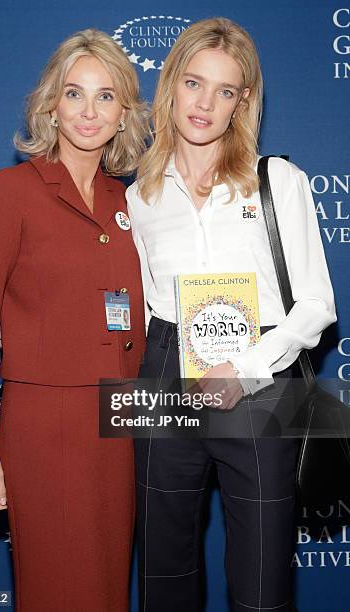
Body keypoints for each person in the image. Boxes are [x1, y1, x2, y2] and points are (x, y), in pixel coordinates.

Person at [126, 17, 336, 612]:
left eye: (226, 91)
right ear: (171, 86)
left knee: (263, 582)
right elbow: (141, 307)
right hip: (166, 373)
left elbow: (317, 305)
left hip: (261, 381)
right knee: (163, 569)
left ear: (243, 102)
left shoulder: (279, 181)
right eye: (194, 83)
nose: (205, 104)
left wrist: (243, 370)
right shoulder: (139, 194)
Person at [0, 29, 148, 612]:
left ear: (123, 115)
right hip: (43, 422)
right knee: (54, 587)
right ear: (51, 107)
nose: (89, 111)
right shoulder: (11, 192)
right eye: (74, 93)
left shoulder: (129, 202)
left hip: (120, 420)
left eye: (106, 96)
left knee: (108, 584)